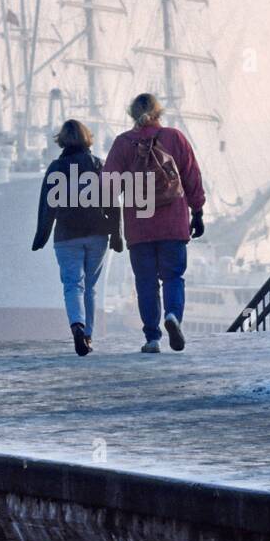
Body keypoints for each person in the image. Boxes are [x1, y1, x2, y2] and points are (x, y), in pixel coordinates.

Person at [102, 93, 205, 353]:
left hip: (139, 226)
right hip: (174, 222)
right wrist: (198, 211)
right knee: (173, 276)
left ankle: (152, 338)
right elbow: (192, 176)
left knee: (146, 282)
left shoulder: (123, 143)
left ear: (131, 114)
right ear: (159, 112)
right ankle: (173, 316)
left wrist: (110, 221)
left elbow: (108, 188)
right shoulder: (174, 138)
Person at [32, 119, 122, 356]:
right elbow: (113, 203)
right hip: (97, 234)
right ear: (87, 138)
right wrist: (117, 234)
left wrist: (41, 236)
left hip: (66, 236)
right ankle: (88, 336)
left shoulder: (56, 168)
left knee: (73, 285)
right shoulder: (99, 166)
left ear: (61, 140)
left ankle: (77, 328)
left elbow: (47, 205)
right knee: (90, 286)